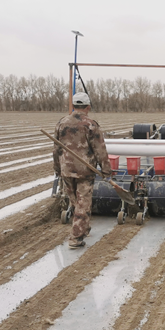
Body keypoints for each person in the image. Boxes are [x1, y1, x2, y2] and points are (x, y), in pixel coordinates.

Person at [53, 92, 113, 248]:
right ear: (88, 107)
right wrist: (106, 171)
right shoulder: (91, 125)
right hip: (85, 171)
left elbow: (56, 149)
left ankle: (82, 227)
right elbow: (100, 150)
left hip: (66, 169)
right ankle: (76, 238)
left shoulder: (62, 123)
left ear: (73, 106)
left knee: (75, 202)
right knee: (83, 203)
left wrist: (57, 169)